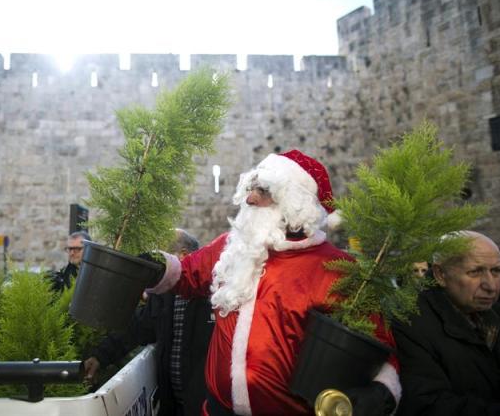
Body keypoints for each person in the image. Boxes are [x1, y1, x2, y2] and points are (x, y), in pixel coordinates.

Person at [148, 149, 400, 415]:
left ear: (296, 204)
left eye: (264, 190)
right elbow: (186, 273)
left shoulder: (337, 269)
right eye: (251, 187)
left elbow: (377, 342)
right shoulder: (231, 246)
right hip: (219, 410)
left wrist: (381, 391)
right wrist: (153, 265)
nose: (250, 198)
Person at [84, 229, 215, 416]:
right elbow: (136, 329)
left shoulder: (216, 293)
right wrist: (99, 357)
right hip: (172, 405)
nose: (156, 266)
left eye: (162, 258)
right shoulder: (163, 293)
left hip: (207, 408)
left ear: (184, 256)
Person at [392, 231, 500, 415]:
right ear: (440, 274)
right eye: (475, 272)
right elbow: (429, 404)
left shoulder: (498, 314)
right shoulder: (410, 322)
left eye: (496, 271)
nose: (491, 286)